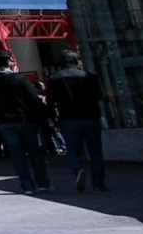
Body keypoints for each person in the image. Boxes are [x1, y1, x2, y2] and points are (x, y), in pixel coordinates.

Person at [0, 54, 52, 195]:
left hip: (4, 121)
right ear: (9, 62)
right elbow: (33, 99)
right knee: (35, 152)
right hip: (25, 119)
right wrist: (44, 114)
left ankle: (27, 185)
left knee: (17, 155)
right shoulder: (19, 79)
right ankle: (42, 183)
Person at [46, 49, 108, 193]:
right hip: (90, 116)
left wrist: (53, 118)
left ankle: (79, 170)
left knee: (74, 151)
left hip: (68, 118)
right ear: (75, 61)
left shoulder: (55, 79)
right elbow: (99, 96)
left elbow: (50, 101)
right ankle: (98, 184)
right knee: (95, 152)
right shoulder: (90, 77)